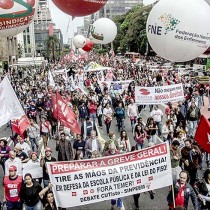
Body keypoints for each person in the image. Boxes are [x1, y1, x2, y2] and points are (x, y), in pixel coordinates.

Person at [105, 144, 124, 210]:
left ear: (115, 148)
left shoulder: (118, 153)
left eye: (113, 149)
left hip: (118, 175)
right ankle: (113, 205)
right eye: (111, 150)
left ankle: (119, 206)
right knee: (113, 193)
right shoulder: (106, 154)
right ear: (109, 149)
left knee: (119, 192)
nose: (112, 151)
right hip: (111, 176)